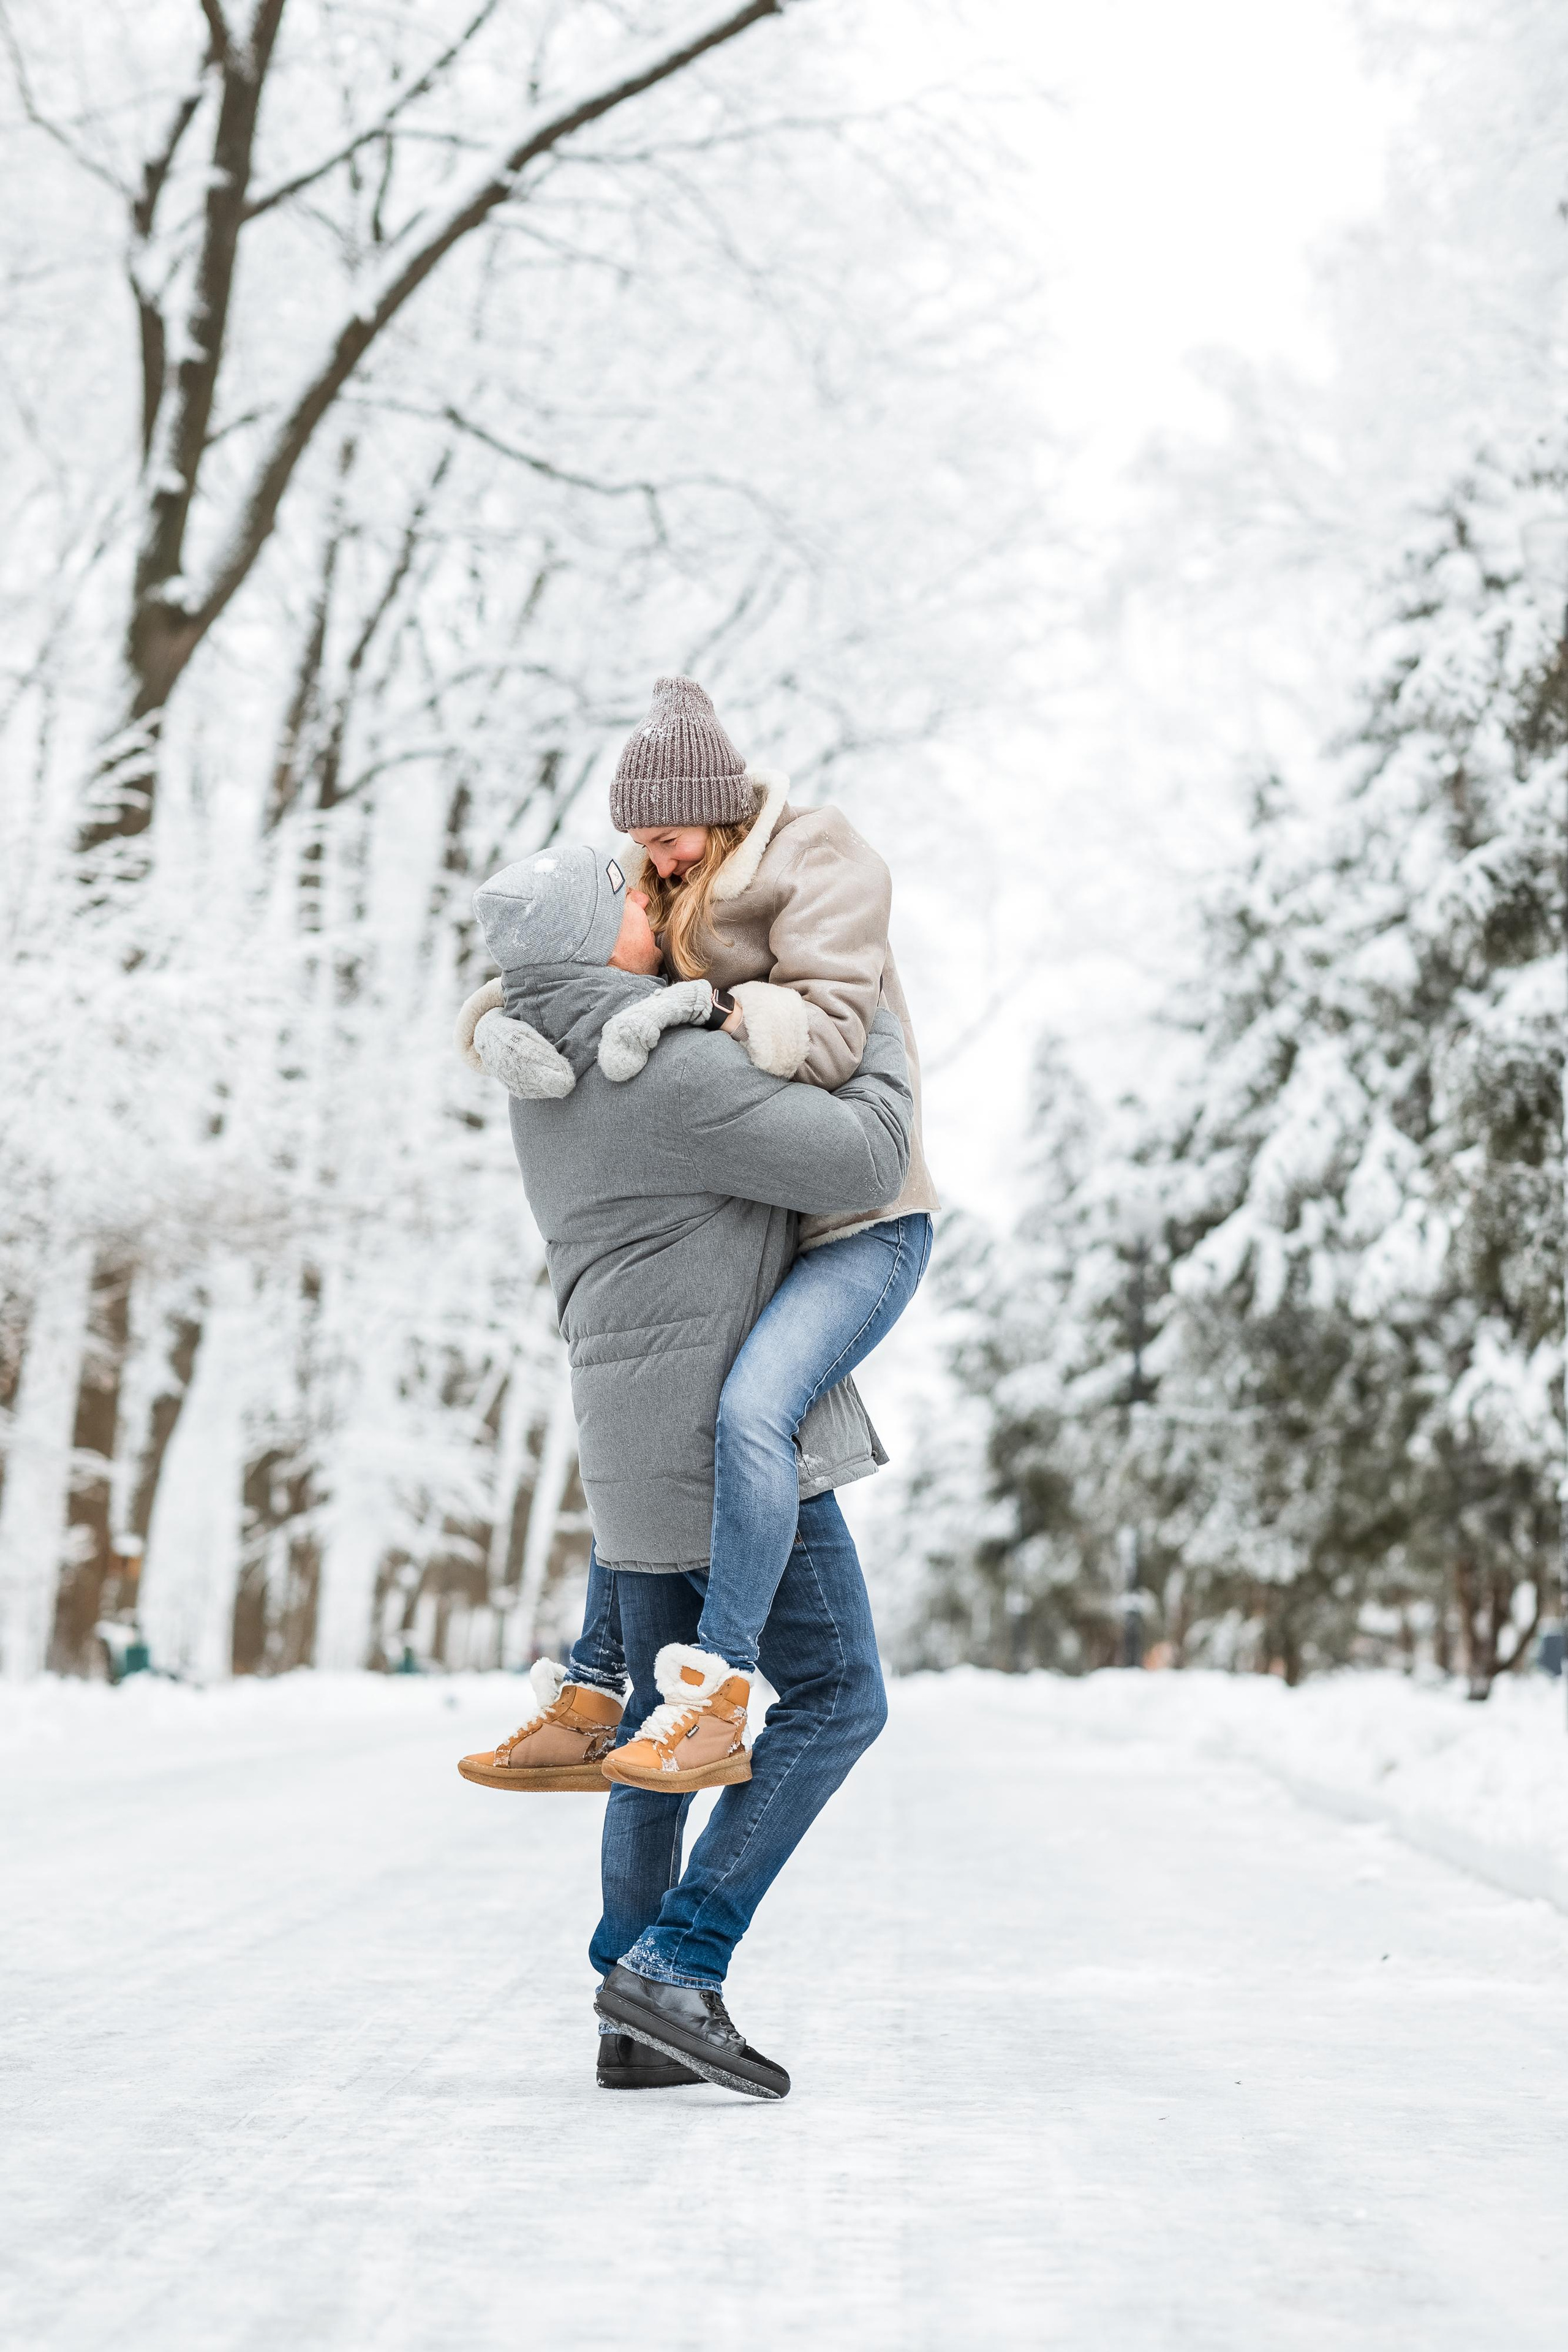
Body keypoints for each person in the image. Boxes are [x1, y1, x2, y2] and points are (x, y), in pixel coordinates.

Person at [455, 842, 914, 2097]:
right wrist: (864, 1009)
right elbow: (865, 1159)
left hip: (625, 1457)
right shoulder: (666, 1075)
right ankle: (675, 1961)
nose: (651, 902)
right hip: (723, 1446)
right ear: (596, 943)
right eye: (633, 901)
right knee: (838, 1701)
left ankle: (623, 2014)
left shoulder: (534, 1076)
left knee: (656, 1738)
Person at [454, 676, 936, 1790]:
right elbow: (593, 982)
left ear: (715, 813)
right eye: (638, 854)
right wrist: (511, 1011)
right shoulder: (676, 879)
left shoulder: (819, 860)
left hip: (860, 1216)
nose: (652, 866)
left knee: (748, 1412)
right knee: (652, 1421)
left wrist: (714, 1011)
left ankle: (712, 1683)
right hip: (762, 1212)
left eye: (664, 841)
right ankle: (598, 1683)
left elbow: (825, 1046)